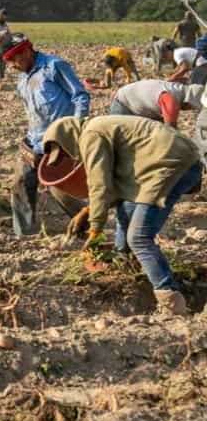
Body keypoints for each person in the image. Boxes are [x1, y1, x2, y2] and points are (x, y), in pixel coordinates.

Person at [44, 116, 201, 314]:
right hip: (168, 161)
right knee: (126, 209)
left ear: (67, 138)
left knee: (139, 237)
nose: (67, 157)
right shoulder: (98, 128)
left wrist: (95, 230)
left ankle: (170, 299)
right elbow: (116, 188)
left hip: (169, 164)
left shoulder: (90, 135)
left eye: (63, 153)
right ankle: (125, 264)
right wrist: (87, 210)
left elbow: (99, 185)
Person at [3, 33, 90, 236]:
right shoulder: (22, 79)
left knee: (61, 189)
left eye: (13, 60)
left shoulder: (54, 66)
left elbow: (80, 95)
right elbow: (32, 112)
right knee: (21, 183)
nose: (11, 67)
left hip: (59, 141)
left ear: (25, 52)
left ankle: (87, 227)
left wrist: (76, 129)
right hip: (35, 141)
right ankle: (24, 234)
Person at [109, 79, 203, 126]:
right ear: (189, 101)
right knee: (121, 142)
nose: (190, 109)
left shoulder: (177, 89)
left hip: (141, 107)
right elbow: (170, 129)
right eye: (192, 107)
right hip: (124, 104)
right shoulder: (171, 101)